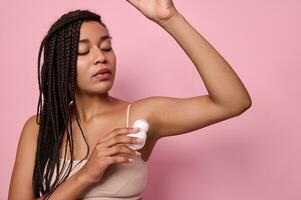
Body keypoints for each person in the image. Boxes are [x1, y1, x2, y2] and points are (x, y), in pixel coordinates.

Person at [8, 0, 252, 199]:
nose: (100, 57)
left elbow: (233, 101)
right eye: (83, 51)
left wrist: (169, 19)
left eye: (106, 47)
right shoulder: (39, 128)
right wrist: (88, 174)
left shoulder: (140, 117)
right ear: (60, 65)